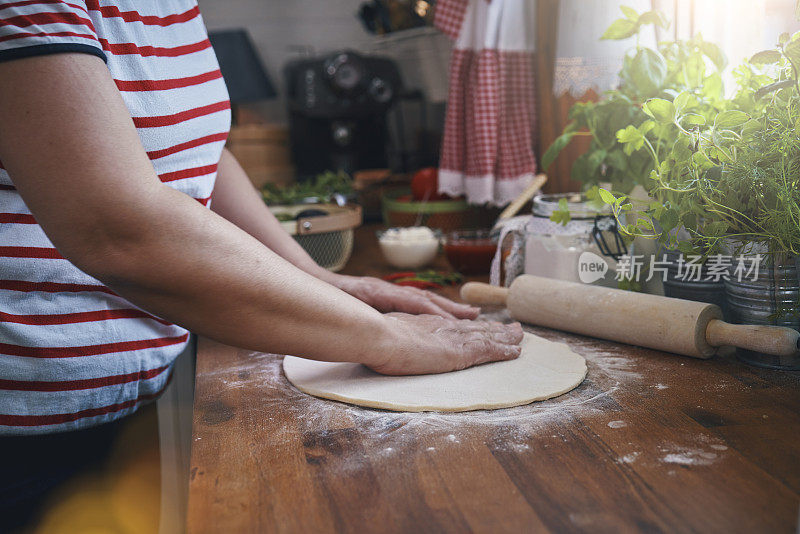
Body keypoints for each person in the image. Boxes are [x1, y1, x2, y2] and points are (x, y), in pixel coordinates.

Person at [0, 0, 523, 529]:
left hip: (122, 399)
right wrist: (388, 339)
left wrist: (315, 277)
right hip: (21, 428)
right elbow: (117, 227)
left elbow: (194, 153)